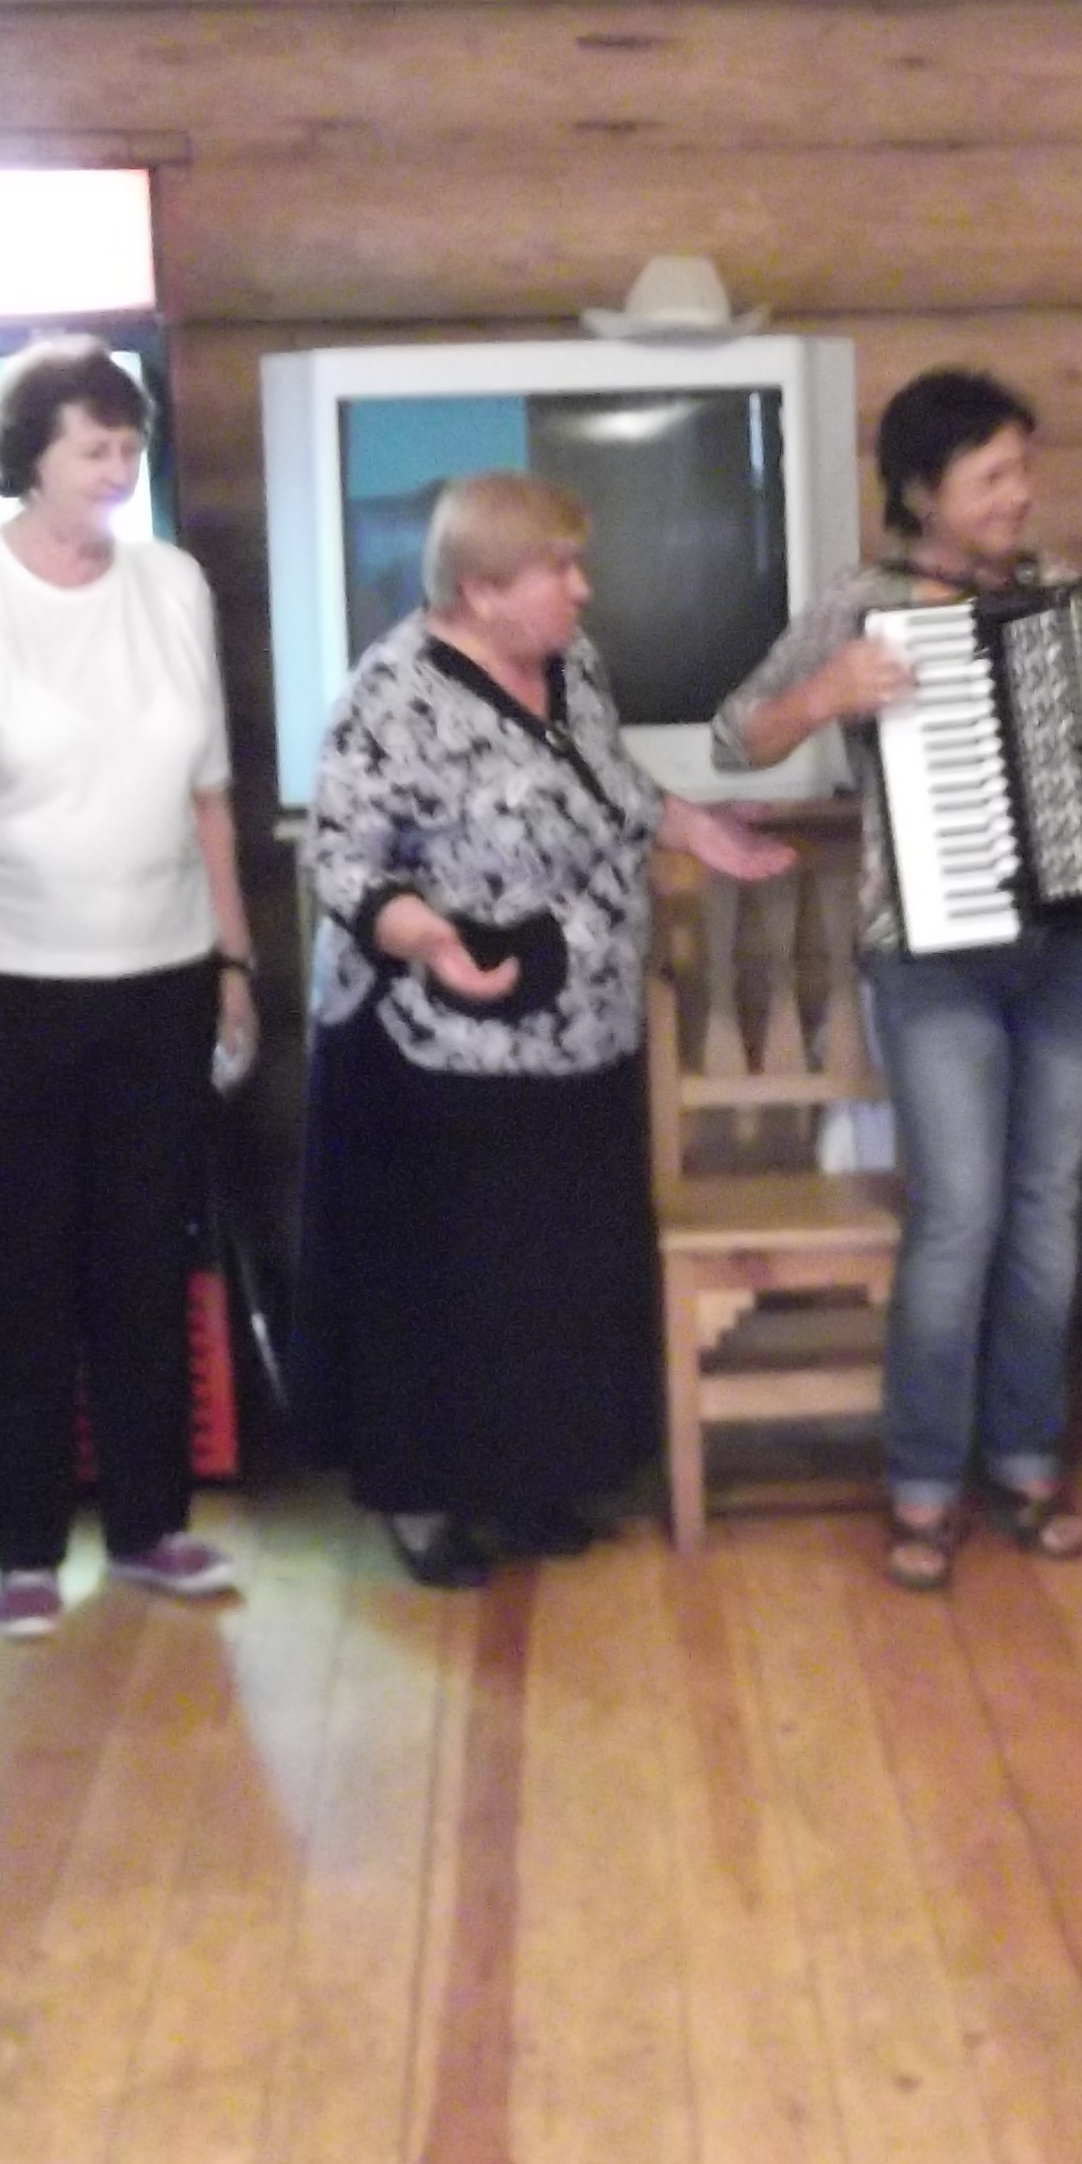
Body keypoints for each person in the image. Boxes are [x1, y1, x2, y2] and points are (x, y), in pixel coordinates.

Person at [298, 474, 793, 1584]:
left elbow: (610, 789)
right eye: (556, 569)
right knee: (446, 1278)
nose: (582, 587)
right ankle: (425, 1498)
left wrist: (696, 825)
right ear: (479, 590)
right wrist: (430, 938)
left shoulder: (573, 664)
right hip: (439, 1037)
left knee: (547, 1272)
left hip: (578, 1024)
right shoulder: (391, 695)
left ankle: (527, 1485)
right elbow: (340, 860)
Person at [0, 336, 254, 1635]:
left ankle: (152, 1525)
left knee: (146, 1261)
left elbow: (209, 795)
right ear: (27, 458)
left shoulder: (171, 583)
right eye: (92, 448)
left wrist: (234, 958)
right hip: (3, 983)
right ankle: (25, 1549)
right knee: (11, 1275)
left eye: (128, 447)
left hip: (160, 974)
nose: (116, 470)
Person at [716, 367, 1082, 1590]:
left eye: (1023, 469)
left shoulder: (1066, 597)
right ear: (921, 492)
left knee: (1046, 1209)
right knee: (959, 1215)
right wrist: (822, 694)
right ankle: (926, 1482)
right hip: (932, 956)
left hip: (1071, 945)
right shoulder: (861, 603)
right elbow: (737, 733)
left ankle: (1027, 1459)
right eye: (992, 475)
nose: (1018, 494)